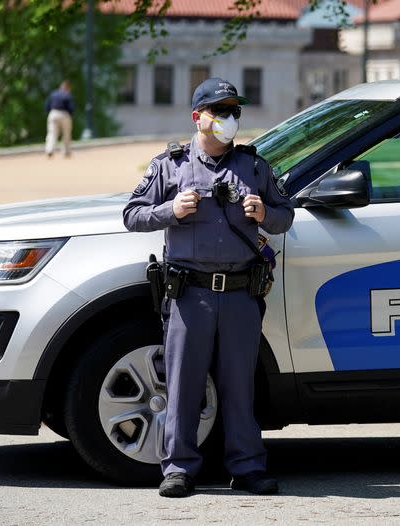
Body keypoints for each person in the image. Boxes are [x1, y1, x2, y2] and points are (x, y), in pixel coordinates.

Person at [122, 77, 294, 498]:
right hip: (189, 293)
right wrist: (171, 209)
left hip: (239, 293)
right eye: (220, 111)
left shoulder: (254, 166)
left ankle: (247, 466)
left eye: (234, 111)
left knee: (240, 385)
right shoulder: (171, 165)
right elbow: (132, 214)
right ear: (198, 116)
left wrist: (264, 212)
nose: (229, 119)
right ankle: (179, 468)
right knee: (183, 385)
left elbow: (286, 214)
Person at [44, 80, 75, 158]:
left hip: (53, 113)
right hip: (64, 114)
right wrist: (70, 115)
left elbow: (47, 106)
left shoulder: (53, 94)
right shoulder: (67, 95)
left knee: (52, 133)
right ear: (67, 87)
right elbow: (71, 108)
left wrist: (50, 113)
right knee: (66, 134)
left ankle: (49, 150)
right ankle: (66, 151)